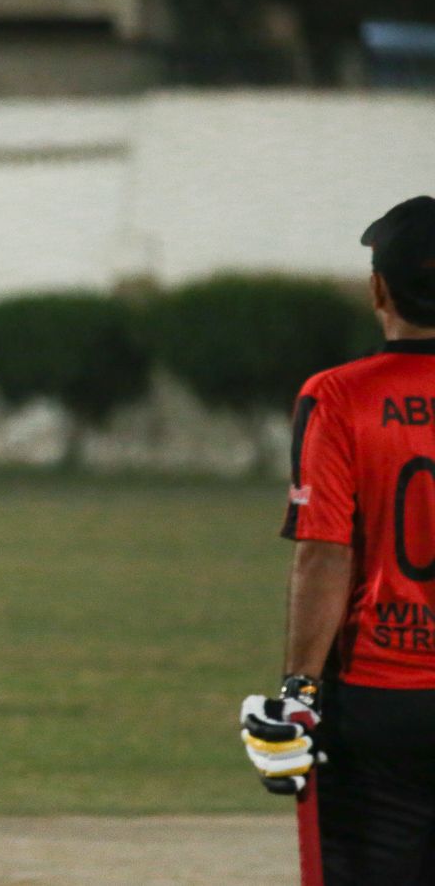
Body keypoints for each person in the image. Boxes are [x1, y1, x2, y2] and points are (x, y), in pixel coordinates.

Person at [240, 195, 435, 883]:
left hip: (381, 696)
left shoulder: (339, 395)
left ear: (379, 289)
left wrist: (299, 688)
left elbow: (324, 552)